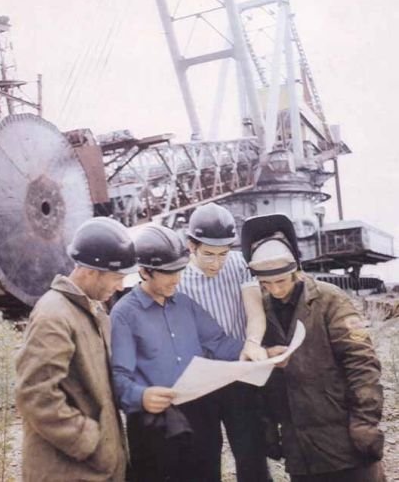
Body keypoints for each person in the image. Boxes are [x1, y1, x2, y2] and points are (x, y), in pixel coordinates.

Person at [241, 213, 386, 482]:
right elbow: (262, 381)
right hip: (300, 450)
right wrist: (268, 427)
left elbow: (361, 363)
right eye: (266, 284)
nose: (275, 290)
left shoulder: (330, 300)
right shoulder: (260, 311)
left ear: (296, 270)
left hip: (344, 438)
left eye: (281, 281)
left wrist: (365, 422)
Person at [111, 224, 245, 482]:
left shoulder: (184, 304)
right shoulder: (124, 314)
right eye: (168, 272)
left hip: (200, 417)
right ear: (144, 271)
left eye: (180, 270)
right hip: (155, 423)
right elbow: (118, 376)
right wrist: (141, 396)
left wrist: (261, 353)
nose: (176, 279)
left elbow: (219, 343)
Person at [16, 217, 137, 482]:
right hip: (68, 471)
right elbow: (35, 394)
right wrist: (90, 441)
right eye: (117, 277)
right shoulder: (53, 315)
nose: (120, 286)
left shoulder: (94, 311)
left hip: (94, 469)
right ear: (90, 272)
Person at [179, 202, 270, 482]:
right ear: (191, 246)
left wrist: (252, 342)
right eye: (208, 254)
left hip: (239, 373)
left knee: (252, 454)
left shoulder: (239, 265)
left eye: (223, 254)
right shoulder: (177, 278)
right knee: (203, 458)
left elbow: (255, 312)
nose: (216, 263)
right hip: (200, 379)